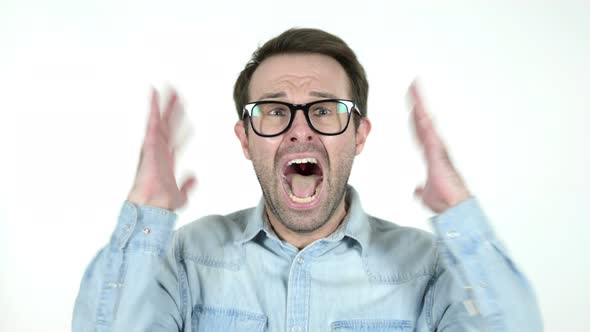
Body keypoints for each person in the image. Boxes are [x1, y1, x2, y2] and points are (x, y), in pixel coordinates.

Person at [72, 28, 542, 331]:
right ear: (245, 138)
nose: (301, 129)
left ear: (359, 135)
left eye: (323, 110)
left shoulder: (428, 267)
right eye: (275, 111)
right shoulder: (186, 259)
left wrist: (459, 207)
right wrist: (146, 207)